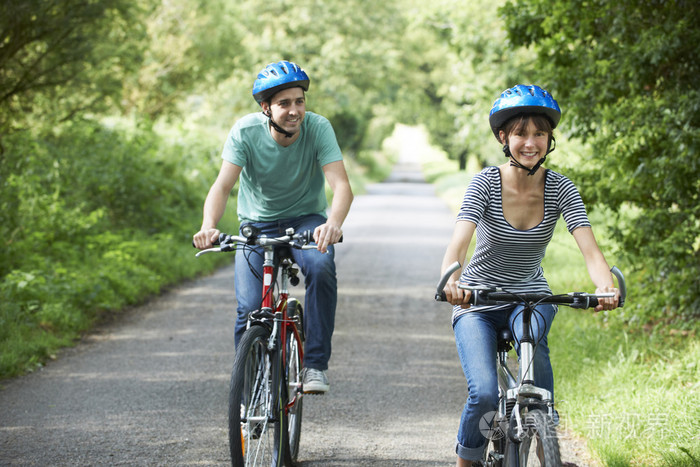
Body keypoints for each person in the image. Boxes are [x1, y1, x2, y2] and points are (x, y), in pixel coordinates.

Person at [439, 84, 620, 466]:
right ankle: (467, 459)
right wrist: (452, 280)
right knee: (485, 393)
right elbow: (457, 245)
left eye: (540, 133)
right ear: (504, 137)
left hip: (531, 298)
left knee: (538, 385)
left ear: (550, 138)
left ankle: (547, 451)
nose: (531, 142)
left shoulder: (560, 188)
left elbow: (590, 249)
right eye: (521, 133)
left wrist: (604, 286)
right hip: (478, 302)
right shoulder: (485, 184)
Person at [193, 60, 353, 394]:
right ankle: (248, 388)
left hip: (307, 221)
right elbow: (222, 186)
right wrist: (208, 226)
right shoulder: (245, 132)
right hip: (257, 225)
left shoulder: (319, 128)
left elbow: (341, 186)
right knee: (249, 309)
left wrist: (332, 224)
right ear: (266, 108)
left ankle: (315, 366)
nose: (295, 110)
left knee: (322, 268)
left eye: (300, 101)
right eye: (284, 103)